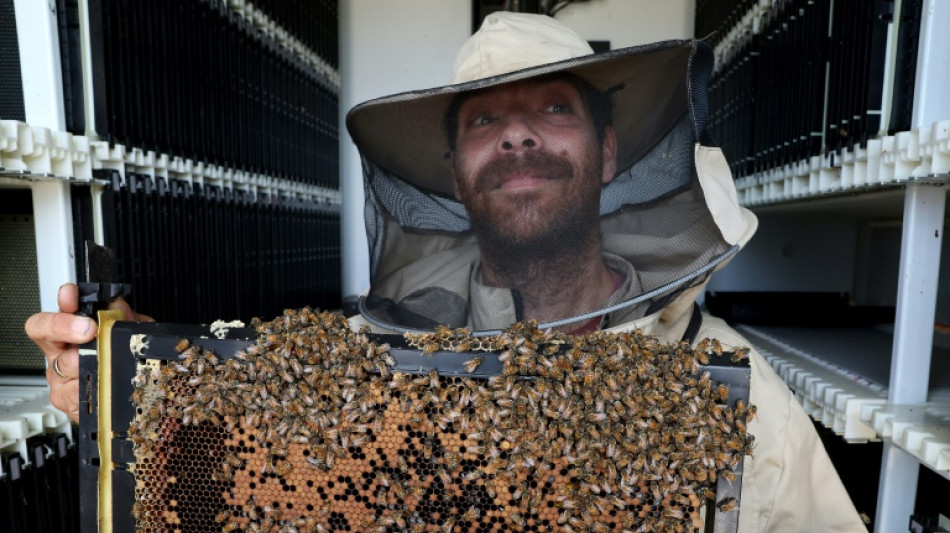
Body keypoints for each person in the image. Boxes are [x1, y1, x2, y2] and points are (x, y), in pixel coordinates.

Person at [27, 11, 866, 532]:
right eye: (484, 120)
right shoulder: (355, 362)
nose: (517, 135)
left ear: (607, 152)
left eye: (552, 107)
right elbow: (230, 487)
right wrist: (130, 388)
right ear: (455, 176)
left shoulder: (737, 389)